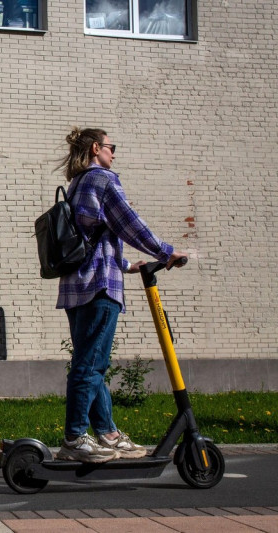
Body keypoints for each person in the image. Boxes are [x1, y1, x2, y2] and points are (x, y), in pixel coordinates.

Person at [55, 127, 188, 463]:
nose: (114, 154)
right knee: (90, 364)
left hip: (76, 286)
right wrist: (165, 251)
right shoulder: (103, 178)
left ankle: (107, 433)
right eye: (112, 148)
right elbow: (129, 224)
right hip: (100, 286)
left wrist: (127, 264)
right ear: (97, 148)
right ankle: (74, 439)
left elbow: (89, 238)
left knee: (91, 362)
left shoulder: (77, 184)